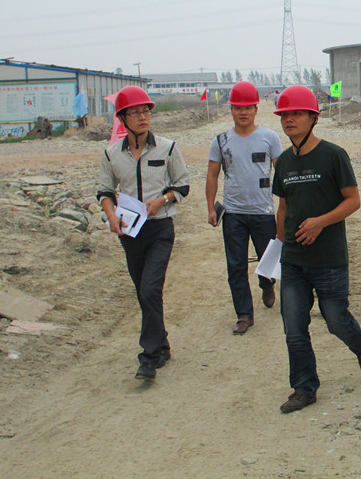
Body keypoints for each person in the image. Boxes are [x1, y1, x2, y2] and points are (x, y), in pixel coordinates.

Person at [272, 85, 361, 414]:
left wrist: (321, 222)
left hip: (329, 259)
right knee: (294, 328)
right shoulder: (283, 161)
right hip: (293, 261)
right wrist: (278, 245)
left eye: (296, 113)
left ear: (313, 118)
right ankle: (304, 388)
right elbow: (283, 207)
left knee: (335, 321)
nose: (289, 119)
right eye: (284, 114)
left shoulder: (333, 155)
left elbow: (353, 201)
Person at [97, 86, 190, 380]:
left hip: (160, 227)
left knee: (150, 289)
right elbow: (104, 191)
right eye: (135, 112)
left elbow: (182, 185)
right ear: (122, 118)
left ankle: (148, 358)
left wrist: (162, 200)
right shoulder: (111, 154)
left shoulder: (168, 148)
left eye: (146, 111)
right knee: (143, 292)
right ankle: (161, 344)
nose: (142, 117)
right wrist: (111, 215)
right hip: (129, 232)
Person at [205, 81, 283, 335]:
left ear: (256, 109)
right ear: (231, 110)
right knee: (235, 265)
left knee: (267, 259)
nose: (243, 112)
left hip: (263, 212)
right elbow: (212, 175)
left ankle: (267, 284)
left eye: (248, 107)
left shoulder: (270, 138)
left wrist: (288, 205)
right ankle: (244, 315)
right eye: (238, 107)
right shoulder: (221, 140)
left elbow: (282, 172)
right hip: (233, 213)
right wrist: (211, 207)